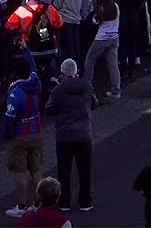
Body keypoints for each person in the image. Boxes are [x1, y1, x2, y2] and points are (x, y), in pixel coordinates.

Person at [45, 58, 96, 212]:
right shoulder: (87, 86)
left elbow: (49, 110)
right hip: (84, 134)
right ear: (76, 72)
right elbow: (94, 104)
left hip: (64, 135)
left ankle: (64, 201)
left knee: (64, 171)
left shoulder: (58, 91)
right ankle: (85, 201)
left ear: (62, 73)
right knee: (84, 169)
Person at [3, 57, 44, 219]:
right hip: (37, 132)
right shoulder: (36, 83)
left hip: (19, 136)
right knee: (36, 169)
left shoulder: (15, 93)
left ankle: (21, 207)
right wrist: (26, 49)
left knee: (20, 171)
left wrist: (6, 135)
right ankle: (39, 203)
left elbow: (9, 118)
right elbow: (33, 65)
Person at [83, 0, 121, 99]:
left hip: (101, 38)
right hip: (114, 37)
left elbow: (94, 22)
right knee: (113, 64)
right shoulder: (115, 6)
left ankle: (88, 88)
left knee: (89, 60)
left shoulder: (100, 9)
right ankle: (116, 90)